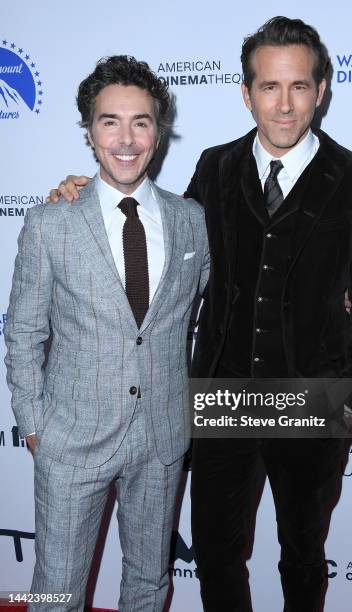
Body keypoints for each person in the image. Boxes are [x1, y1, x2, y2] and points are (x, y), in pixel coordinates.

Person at [47, 16, 352, 612]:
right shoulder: (215, 166)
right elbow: (166, 240)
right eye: (269, 87)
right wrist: (93, 193)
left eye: (298, 87)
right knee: (214, 554)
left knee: (303, 559)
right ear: (245, 92)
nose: (284, 105)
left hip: (313, 405)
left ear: (321, 89)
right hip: (220, 400)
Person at [4, 55, 209, 612]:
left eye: (140, 122)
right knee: (56, 592)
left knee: (149, 584)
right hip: (70, 441)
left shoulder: (191, 219)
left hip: (162, 439)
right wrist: (35, 426)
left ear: (158, 132)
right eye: (109, 121)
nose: (126, 138)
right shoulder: (51, 222)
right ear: (90, 132)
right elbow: (22, 332)